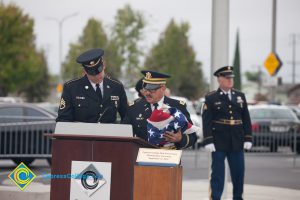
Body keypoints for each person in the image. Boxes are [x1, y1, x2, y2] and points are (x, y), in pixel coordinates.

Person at [202, 66, 252, 200]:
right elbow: (206, 121)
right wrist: (208, 140)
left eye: (231, 78)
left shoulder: (240, 96)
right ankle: (215, 198)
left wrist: (248, 138)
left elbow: (246, 118)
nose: (230, 80)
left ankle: (238, 197)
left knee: (238, 174)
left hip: (237, 140)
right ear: (219, 79)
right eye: (226, 77)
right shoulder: (211, 97)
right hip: (219, 142)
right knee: (218, 175)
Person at [122, 70, 197, 149]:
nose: (147, 93)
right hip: (142, 157)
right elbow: (124, 135)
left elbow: (192, 137)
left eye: (152, 90)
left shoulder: (177, 106)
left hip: (168, 157)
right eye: (145, 89)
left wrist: (180, 139)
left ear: (163, 88)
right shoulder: (135, 108)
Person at [56, 48, 127, 123]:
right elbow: (63, 119)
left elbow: (126, 116)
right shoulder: (71, 88)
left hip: (109, 134)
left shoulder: (116, 86)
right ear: (84, 71)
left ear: (104, 65)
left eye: (99, 70)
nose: (97, 76)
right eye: (92, 73)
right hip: (82, 133)